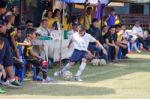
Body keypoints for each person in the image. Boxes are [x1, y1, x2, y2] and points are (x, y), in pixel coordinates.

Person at [0, 19, 22, 87]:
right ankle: (5, 79)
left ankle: (11, 79)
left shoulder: (5, 36)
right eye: (5, 26)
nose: (6, 27)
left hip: (3, 39)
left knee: (9, 58)